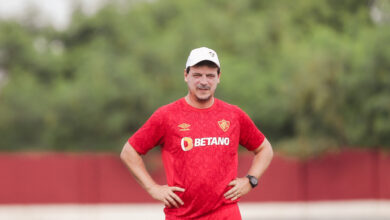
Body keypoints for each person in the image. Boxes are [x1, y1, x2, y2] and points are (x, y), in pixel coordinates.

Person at [120, 47, 274, 219]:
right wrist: (153, 188)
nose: (204, 81)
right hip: (182, 215)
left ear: (218, 78)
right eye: (197, 75)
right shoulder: (167, 116)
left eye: (210, 76)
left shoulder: (233, 115)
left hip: (225, 214)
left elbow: (265, 149)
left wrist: (250, 181)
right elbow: (129, 152)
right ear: (186, 76)